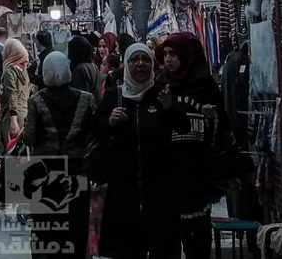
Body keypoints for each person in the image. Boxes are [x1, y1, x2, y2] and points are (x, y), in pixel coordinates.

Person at [156, 31, 237, 259]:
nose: (169, 59)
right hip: (167, 172)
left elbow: (220, 131)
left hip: (198, 172)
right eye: (166, 54)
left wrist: (209, 118)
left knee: (197, 238)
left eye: (174, 54)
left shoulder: (204, 86)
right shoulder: (161, 84)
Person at [89, 43, 174, 259]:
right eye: (135, 59)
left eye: (146, 60)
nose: (140, 64)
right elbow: (95, 131)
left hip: (158, 191)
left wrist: (169, 110)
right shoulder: (114, 96)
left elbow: (178, 130)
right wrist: (109, 121)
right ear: (126, 65)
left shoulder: (162, 95)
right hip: (123, 191)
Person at [21, 53, 97, 259]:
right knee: (76, 226)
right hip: (77, 173)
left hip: (45, 174)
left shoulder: (36, 100)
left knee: (45, 228)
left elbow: (29, 138)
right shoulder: (86, 99)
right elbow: (94, 134)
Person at [0, 38, 32, 144]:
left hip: (13, 115)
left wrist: (13, 121)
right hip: (24, 113)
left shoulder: (9, 72)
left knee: (11, 150)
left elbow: (12, 95)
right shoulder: (24, 72)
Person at [96, 32, 120, 97]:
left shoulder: (117, 65)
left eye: (104, 46)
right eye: (99, 46)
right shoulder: (96, 62)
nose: (101, 49)